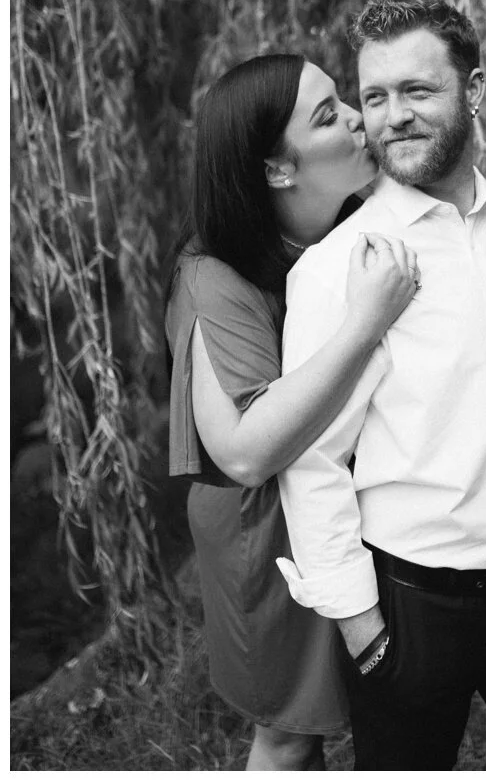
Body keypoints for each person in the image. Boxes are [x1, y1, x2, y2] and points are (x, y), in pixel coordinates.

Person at [273, 0, 486, 770]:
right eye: (374, 96)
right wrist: (366, 635)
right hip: (411, 612)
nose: (392, 115)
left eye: (417, 90)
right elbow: (312, 461)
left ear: (475, 90)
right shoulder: (339, 268)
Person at [165, 54, 420, 769]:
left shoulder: (357, 224)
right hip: (265, 527)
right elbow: (244, 450)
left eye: (344, 100)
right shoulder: (213, 277)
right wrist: (365, 322)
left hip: (344, 501)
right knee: (289, 733)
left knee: (379, 701)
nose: (359, 119)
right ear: (279, 169)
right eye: (329, 115)